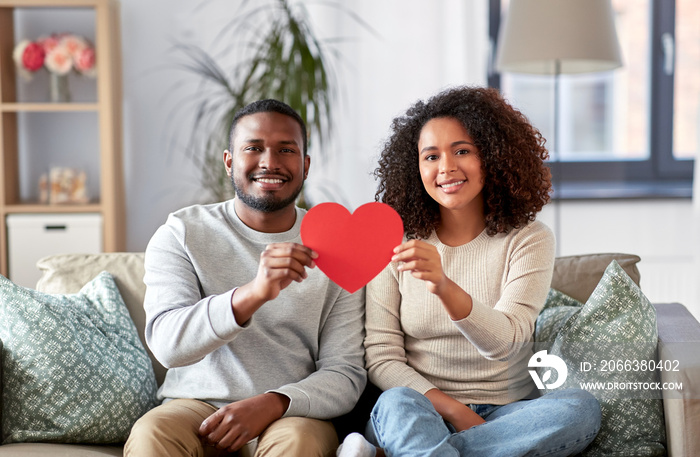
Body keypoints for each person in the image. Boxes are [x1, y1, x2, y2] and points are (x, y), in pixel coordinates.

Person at [337, 86, 601, 457]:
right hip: (422, 407)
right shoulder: (395, 241)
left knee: (580, 409)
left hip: (509, 415)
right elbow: (382, 356)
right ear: (415, 167)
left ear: (493, 157)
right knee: (395, 404)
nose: (446, 168)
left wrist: (443, 284)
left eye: (462, 151)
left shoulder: (529, 240)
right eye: (431, 156)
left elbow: (507, 342)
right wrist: (454, 411)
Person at [125, 99, 367, 457]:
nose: (270, 162)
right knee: (151, 435)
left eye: (286, 149)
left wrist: (271, 404)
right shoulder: (182, 232)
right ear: (229, 162)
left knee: (299, 443)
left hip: (290, 410)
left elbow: (345, 373)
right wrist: (253, 294)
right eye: (254, 148)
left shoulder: (338, 246)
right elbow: (166, 346)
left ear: (305, 165)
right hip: (194, 406)